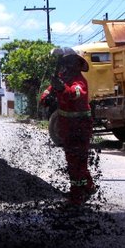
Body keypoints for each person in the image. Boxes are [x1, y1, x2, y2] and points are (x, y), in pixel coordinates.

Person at [40, 47, 95, 205]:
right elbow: (46, 95)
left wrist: (61, 88)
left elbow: (76, 95)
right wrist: (46, 98)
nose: (68, 66)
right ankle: (88, 187)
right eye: (66, 63)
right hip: (66, 127)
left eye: (71, 63)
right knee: (73, 159)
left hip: (81, 127)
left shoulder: (79, 81)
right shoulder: (60, 78)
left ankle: (77, 195)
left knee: (78, 160)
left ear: (76, 65)